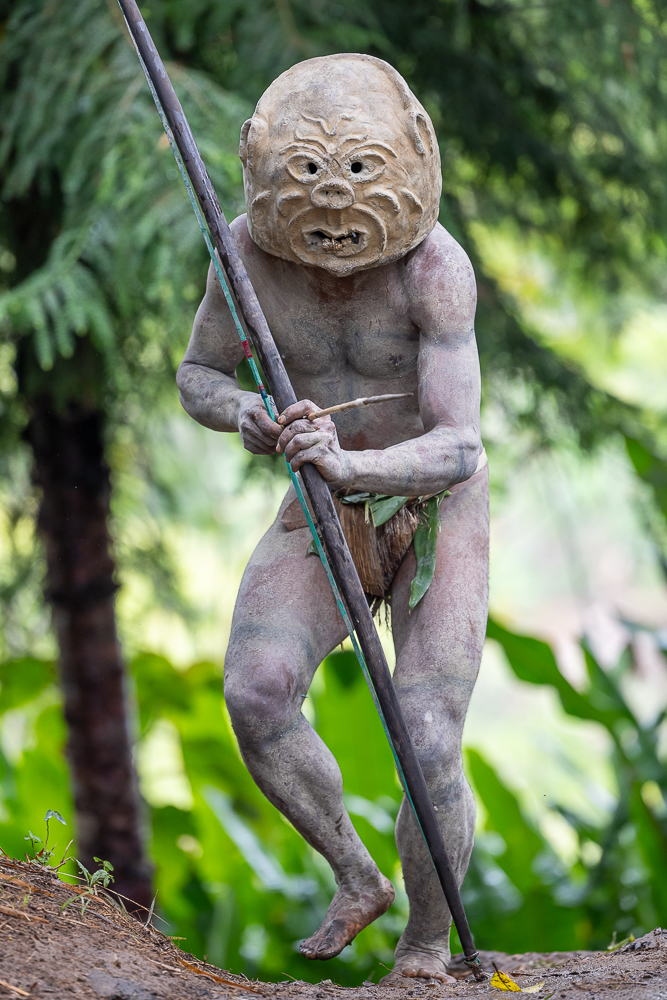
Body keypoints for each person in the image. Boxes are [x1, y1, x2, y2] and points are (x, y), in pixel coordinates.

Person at [176, 52, 488, 984]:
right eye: (309, 173)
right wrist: (247, 415)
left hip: (431, 505)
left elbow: (459, 446)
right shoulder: (242, 253)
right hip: (321, 500)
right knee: (256, 690)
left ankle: (427, 950)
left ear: (408, 159)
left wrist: (352, 463)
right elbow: (200, 376)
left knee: (428, 738)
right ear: (264, 167)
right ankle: (355, 874)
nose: (336, 201)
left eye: (359, 172)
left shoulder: (435, 269)